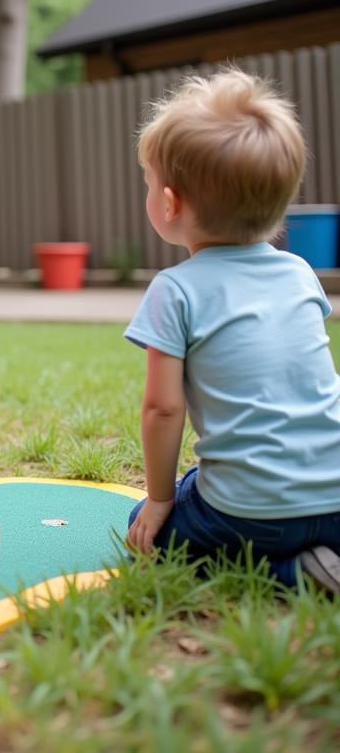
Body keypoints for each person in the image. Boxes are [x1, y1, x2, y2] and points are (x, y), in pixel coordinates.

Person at [125, 68, 340, 594]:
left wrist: (158, 499)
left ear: (170, 203)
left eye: (149, 184)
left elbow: (163, 409)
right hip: (335, 496)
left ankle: (292, 575)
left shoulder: (175, 290)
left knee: (145, 526)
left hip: (249, 513)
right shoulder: (299, 273)